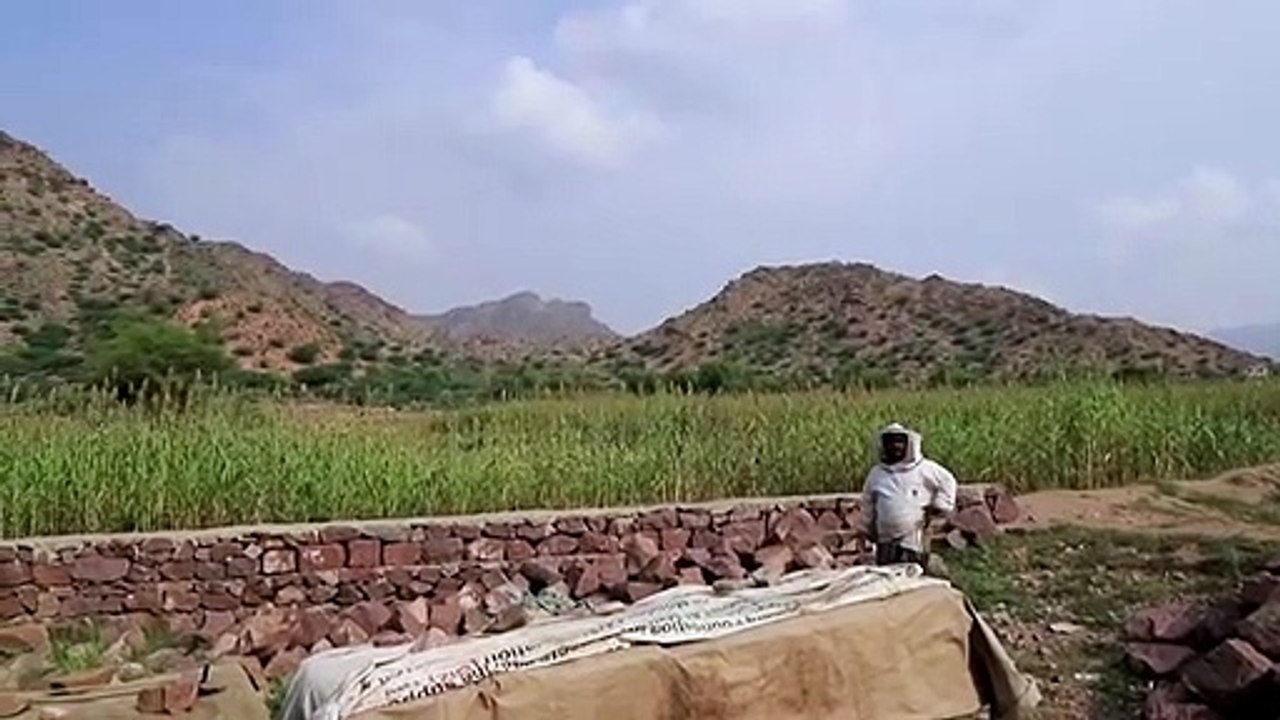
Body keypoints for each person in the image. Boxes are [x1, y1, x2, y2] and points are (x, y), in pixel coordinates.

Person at [860, 422, 958, 569]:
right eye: (890, 442)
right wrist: (867, 528)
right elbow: (868, 503)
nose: (895, 446)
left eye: (899, 441)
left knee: (915, 575)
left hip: (914, 537)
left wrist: (939, 506)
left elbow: (948, 481)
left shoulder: (925, 469)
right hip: (885, 539)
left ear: (909, 444)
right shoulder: (877, 474)